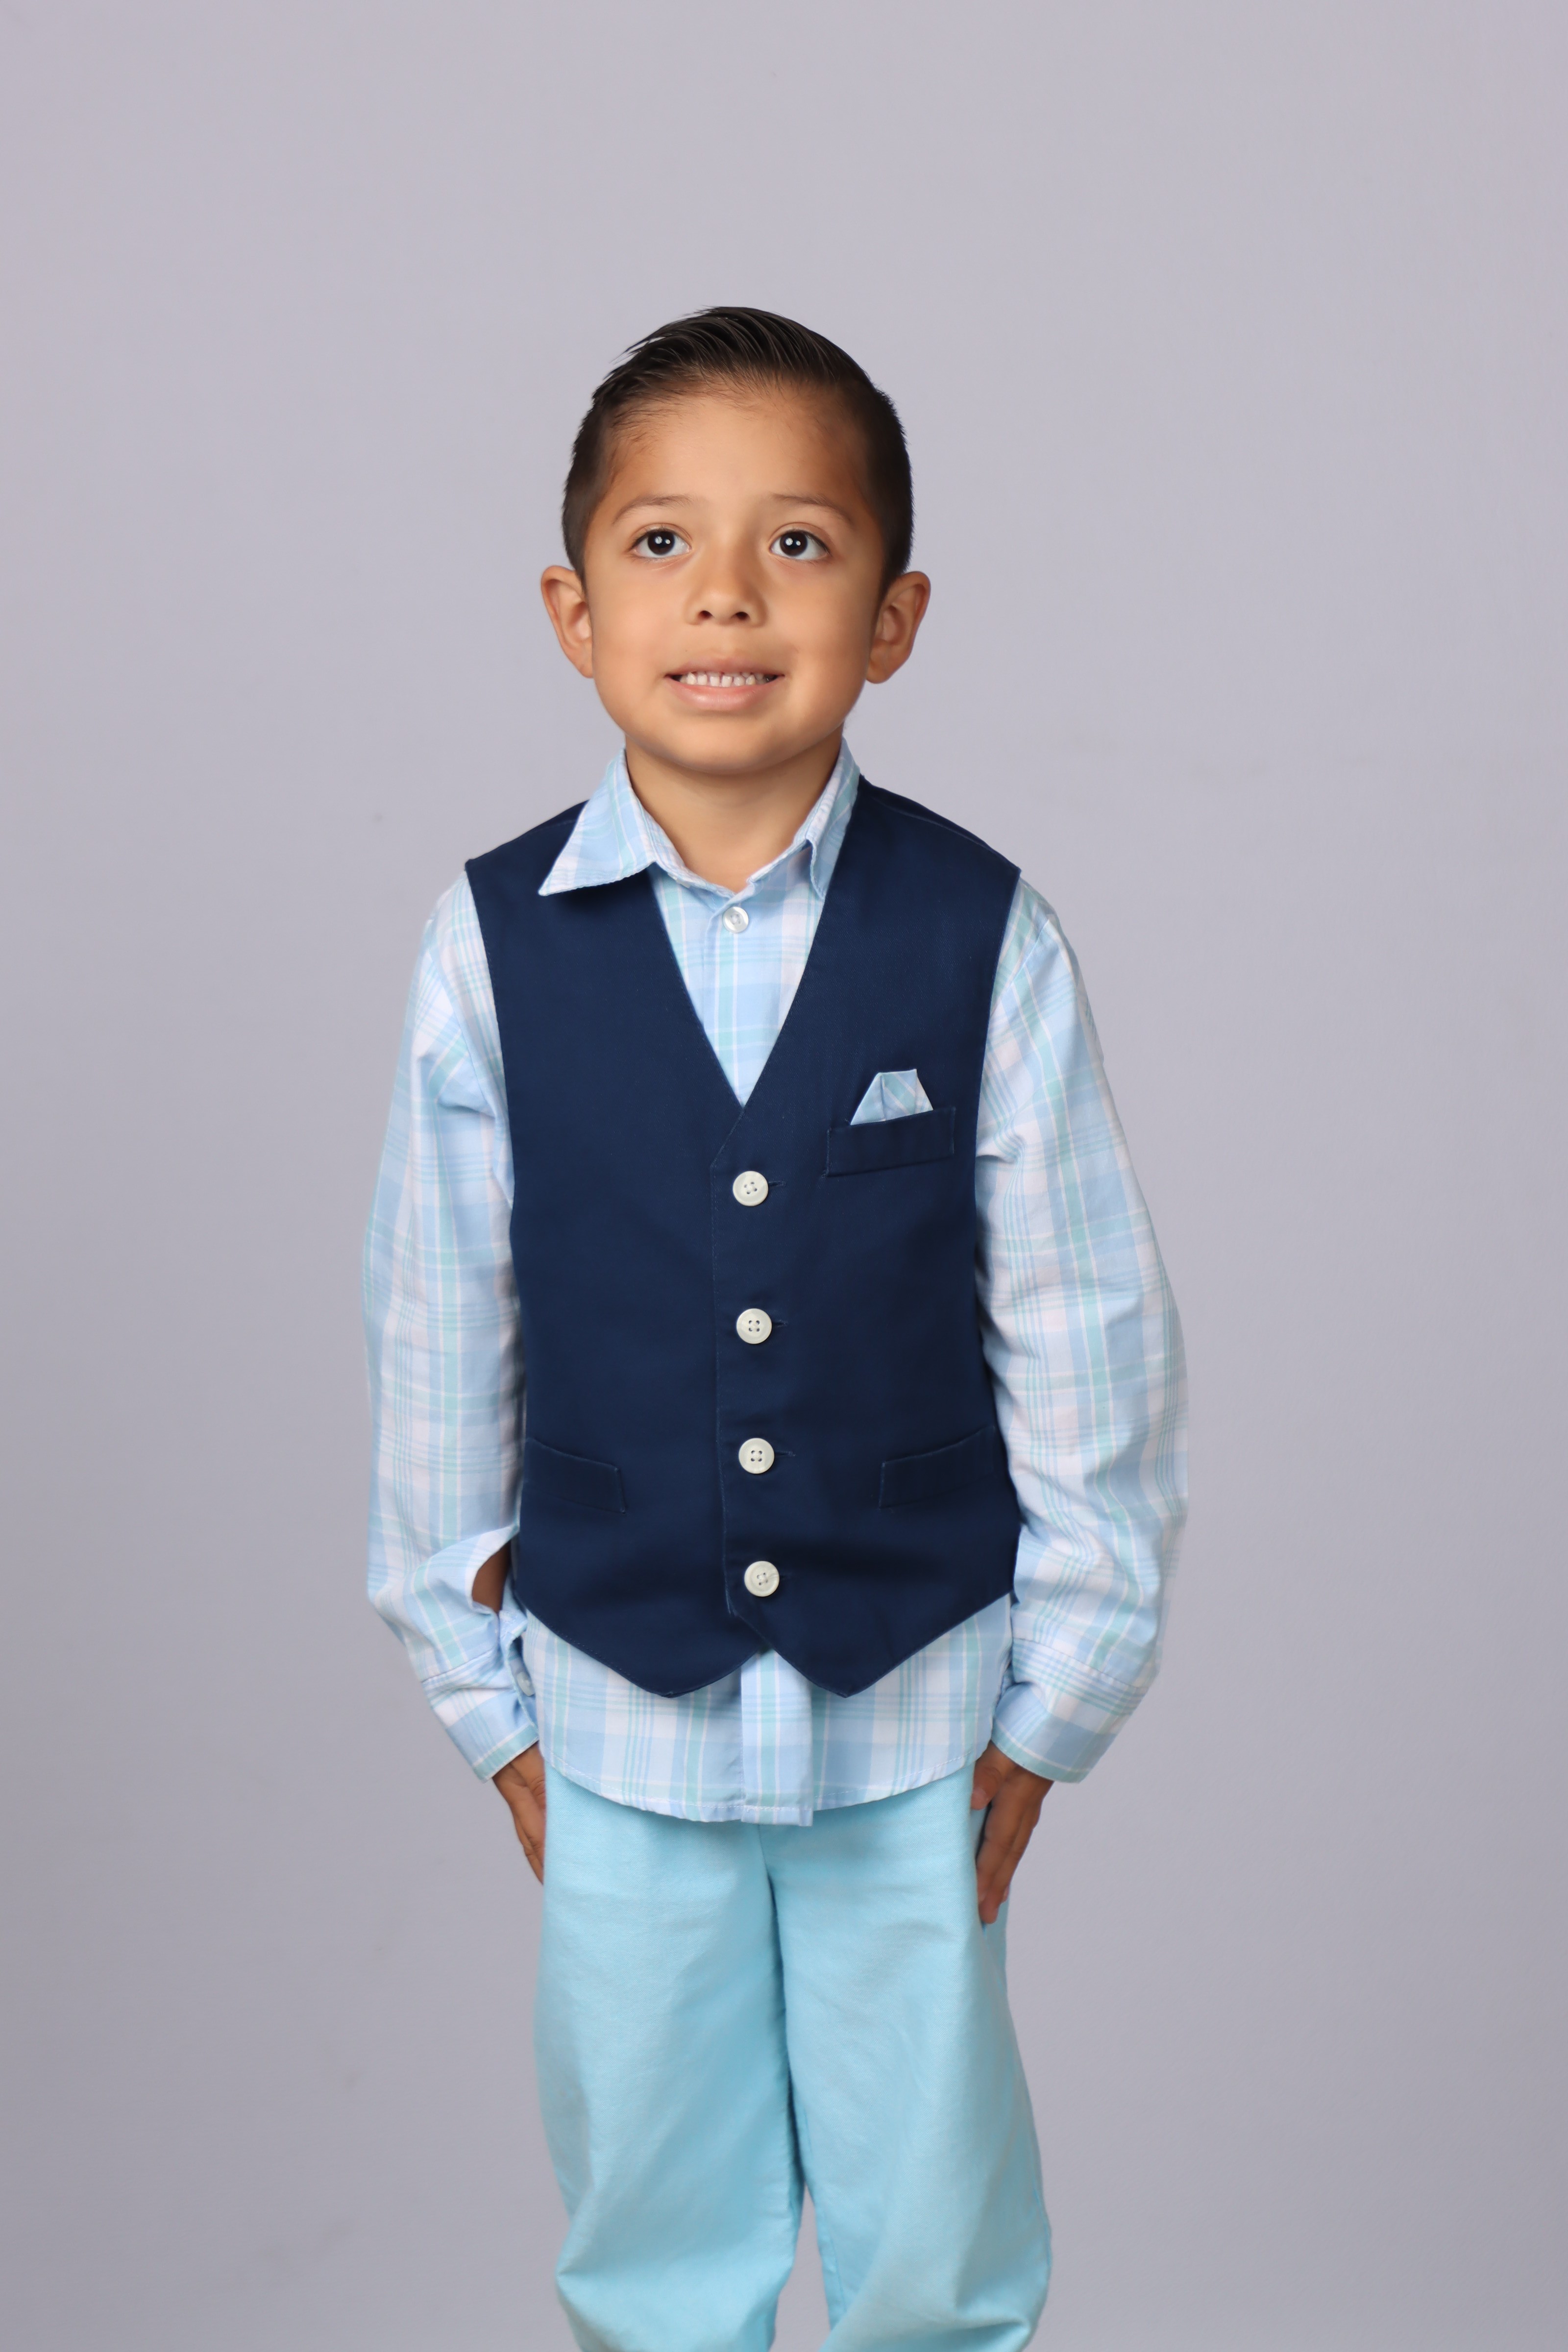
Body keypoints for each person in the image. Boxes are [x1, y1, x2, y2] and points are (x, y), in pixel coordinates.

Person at [364, 306, 1186, 2352]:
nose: (725, 593)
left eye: (797, 544)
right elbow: (439, 1326)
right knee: (652, 2223)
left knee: (935, 2232)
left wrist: (1063, 1694)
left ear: (892, 618)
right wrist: (482, 1696)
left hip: (916, 1710)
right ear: (572, 610)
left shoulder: (979, 932)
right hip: (614, 1704)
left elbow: (1083, 1318)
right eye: (661, 544)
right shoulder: (485, 949)